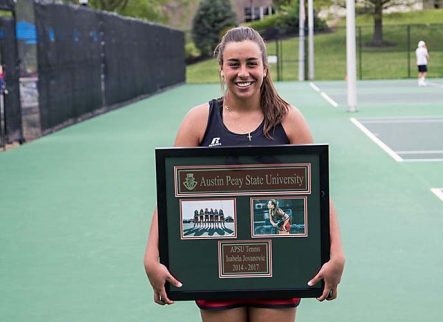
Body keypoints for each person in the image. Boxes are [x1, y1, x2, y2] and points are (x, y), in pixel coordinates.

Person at [144, 26, 345, 322]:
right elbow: (171, 197)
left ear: (264, 67)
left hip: (279, 267)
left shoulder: (288, 119)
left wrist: (335, 253)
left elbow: (317, 192)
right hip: (216, 269)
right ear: (221, 69)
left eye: (251, 63)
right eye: (234, 64)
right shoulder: (200, 120)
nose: (243, 73)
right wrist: (151, 257)